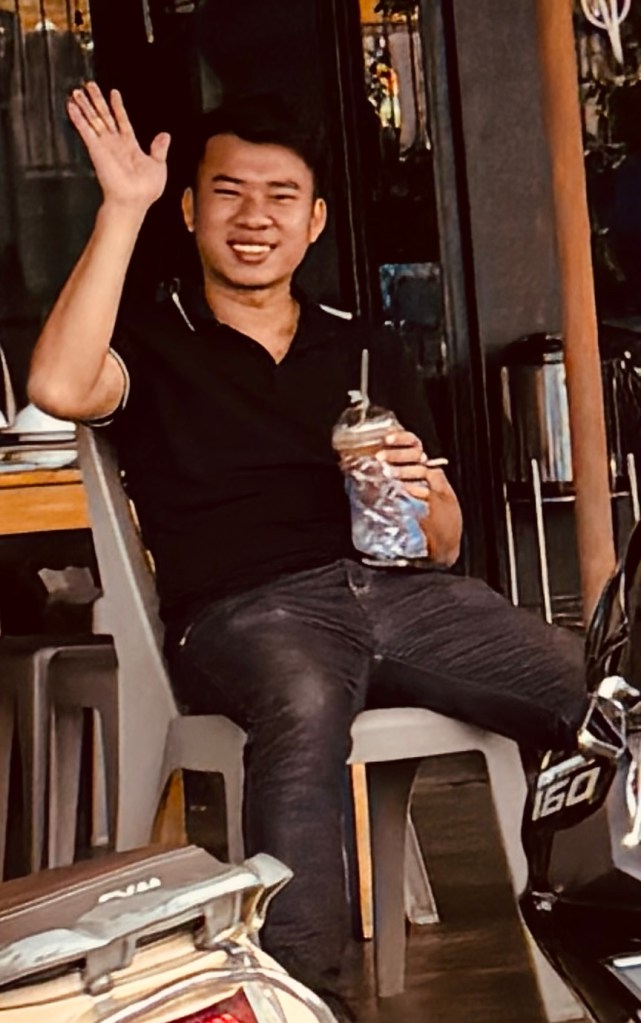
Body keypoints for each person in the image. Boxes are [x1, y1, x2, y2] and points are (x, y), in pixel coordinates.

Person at [28, 83, 587, 1015]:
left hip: (400, 596)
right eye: (229, 192)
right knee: (302, 706)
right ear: (189, 209)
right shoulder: (155, 340)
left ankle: (602, 943)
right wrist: (121, 207)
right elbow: (56, 383)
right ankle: (302, 998)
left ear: (315, 219)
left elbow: (443, 547)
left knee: (594, 689)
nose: (255, 218)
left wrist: (420, 492)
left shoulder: (363, 349)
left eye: (280, 196)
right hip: (245, 613)